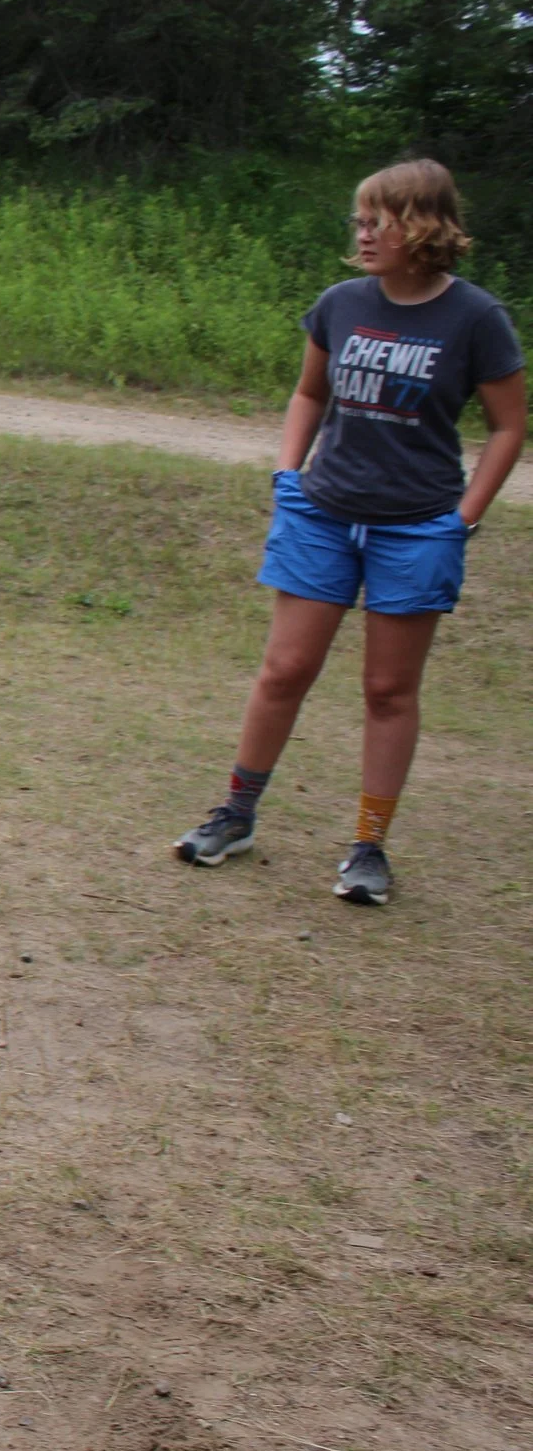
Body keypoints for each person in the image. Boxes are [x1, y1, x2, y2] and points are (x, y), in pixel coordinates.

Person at [175, 160, 524, 904]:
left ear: (421, 226)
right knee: (284, 669)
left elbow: (507, 427)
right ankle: (236, 814)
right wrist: (287, 474)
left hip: (418, 528)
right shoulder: (340, 304)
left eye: (377, 222)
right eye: (358, 221)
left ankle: (369, 846)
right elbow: (309, 393)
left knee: (388, 690)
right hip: (323, 514)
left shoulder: (476, 317)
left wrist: (463, 518)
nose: (362, 235)